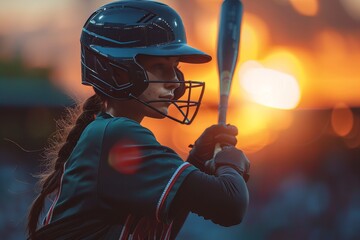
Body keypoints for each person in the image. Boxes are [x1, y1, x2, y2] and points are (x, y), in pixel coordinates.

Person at [27, 1, 250, 239]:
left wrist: (196, 160)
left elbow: (155, 229)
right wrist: (231, 163)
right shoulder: (117, 133)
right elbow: (229, 206)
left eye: (175, 67)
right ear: (117, 71)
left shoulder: (106, 133)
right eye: (159, 66)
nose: (175, 81)